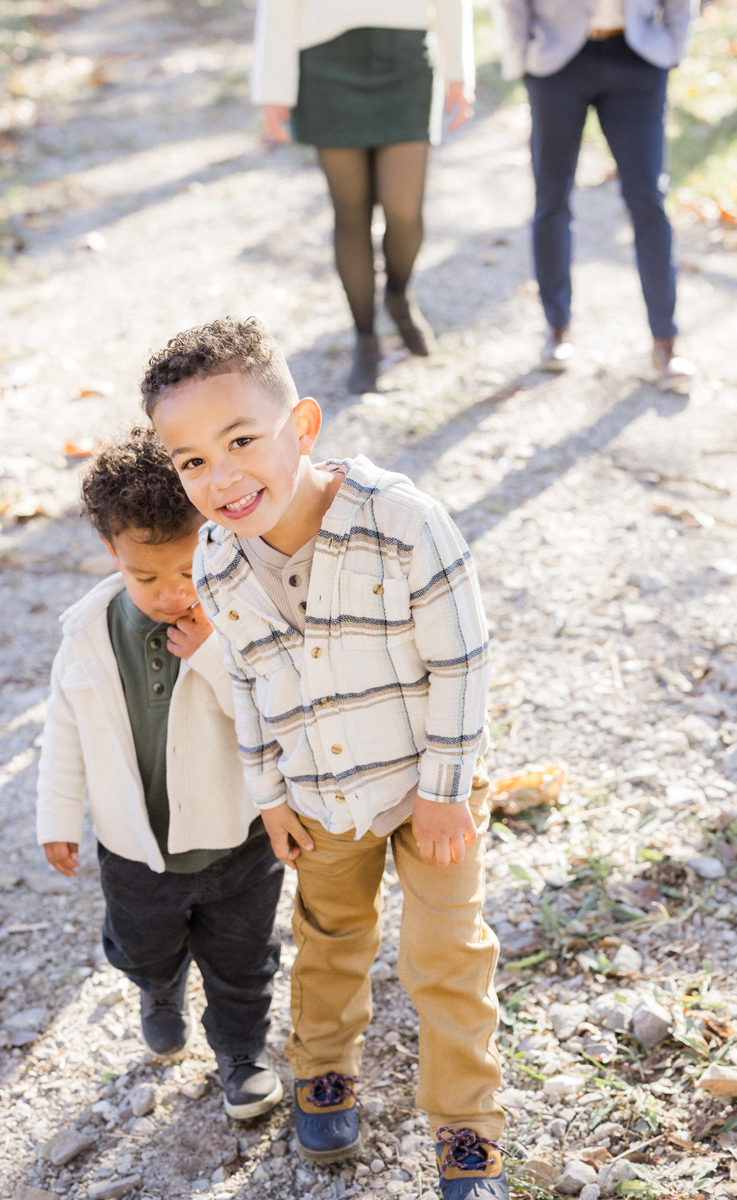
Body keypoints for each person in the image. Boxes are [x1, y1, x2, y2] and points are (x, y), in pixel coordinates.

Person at [144, 318, 508, 1200]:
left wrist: (446, 791)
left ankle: (467, 1131)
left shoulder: (403, 523)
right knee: (330, 936)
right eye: (192, 461)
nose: (221, 477)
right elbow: (251, 687)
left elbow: (463, 662)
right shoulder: (221, 561)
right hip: (321, 794)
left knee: (445, 955)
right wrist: (271, 796)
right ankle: (323, 1068)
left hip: (432, 790)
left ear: (302, 428)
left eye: (240, 441)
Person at [36, 427, 285, 1120]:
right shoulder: (84, 634)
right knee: (143, 943)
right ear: (111, 554)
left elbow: (269, 712)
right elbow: (64, 730)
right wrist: (57, 818)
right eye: (146, 577)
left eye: (187, 572)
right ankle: (159, 984)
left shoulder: (238, 618)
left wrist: (211, 652)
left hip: (237, 841)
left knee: (242, 960)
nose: (172, 594)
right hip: (135, 847)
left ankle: (241, 1052)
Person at [252, 2, 475, 394]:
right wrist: (273, 88)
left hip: (406, 55)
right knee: (350, 213)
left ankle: (398, 294)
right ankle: (365, 337)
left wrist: (459, 71)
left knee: (404, 211)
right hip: (325, 61)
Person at [493, 0, 697, 382]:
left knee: (649, 198)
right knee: (551, 196)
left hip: (639, 57)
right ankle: (556, 329)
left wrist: (673, 47)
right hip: (557, 62)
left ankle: (665, 339)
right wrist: (518, 59)